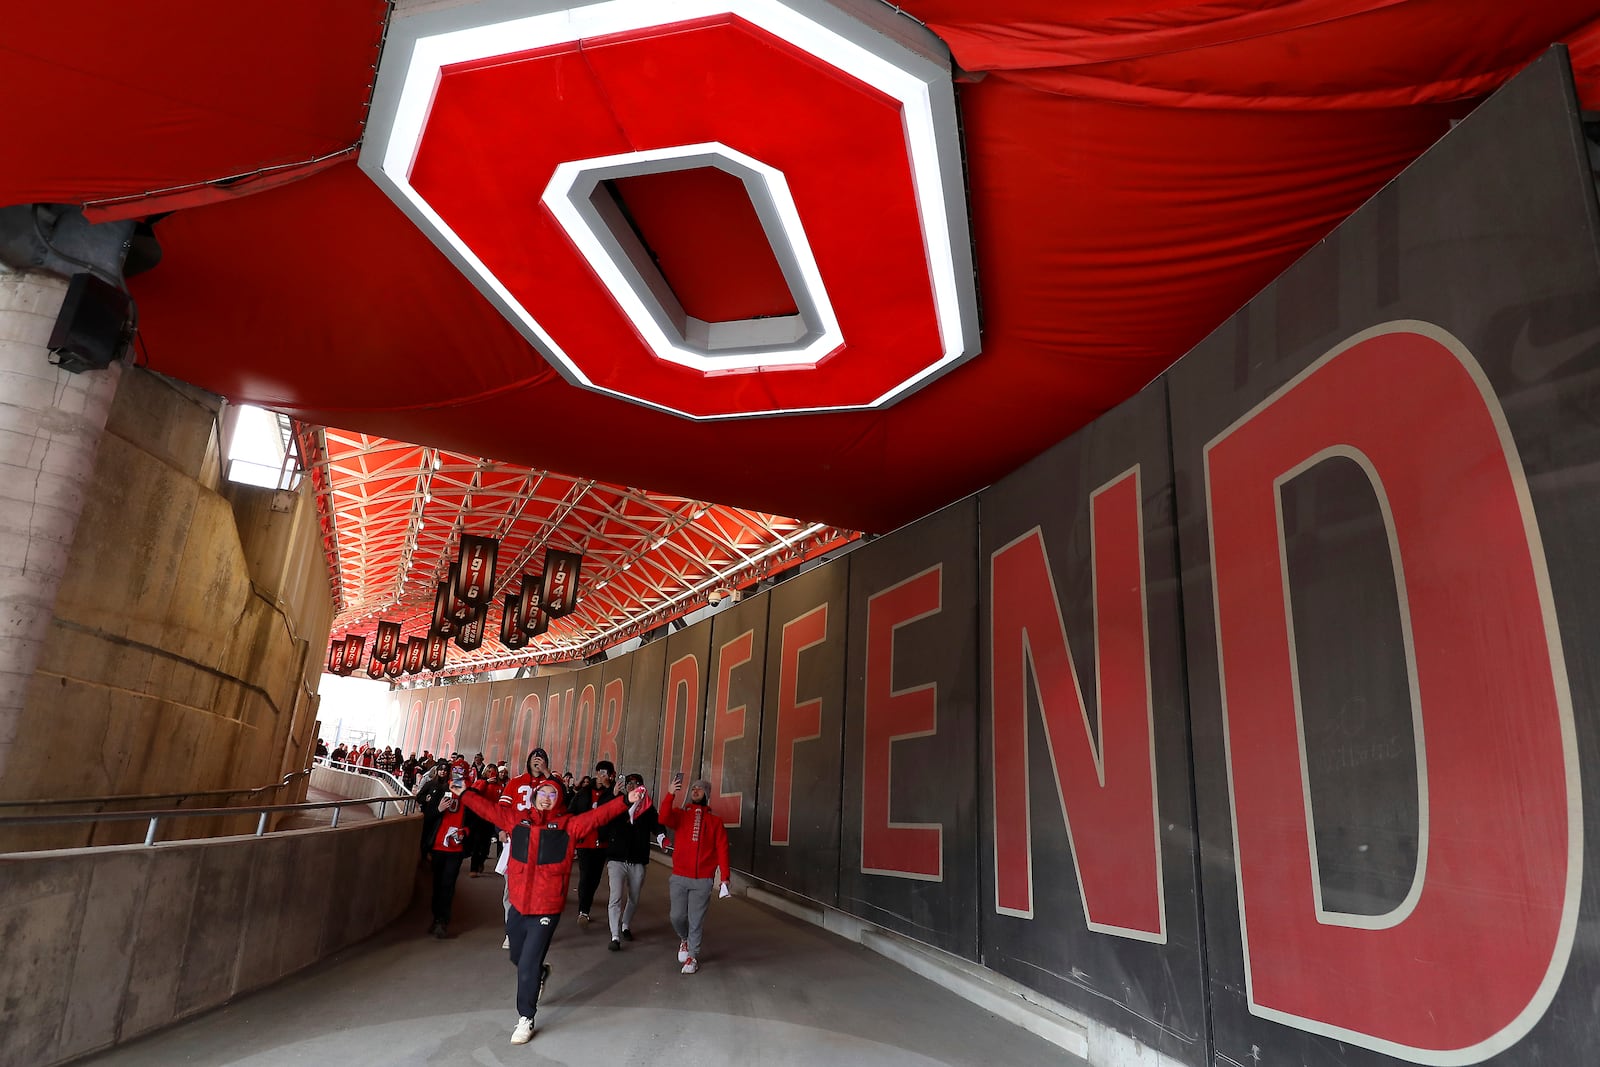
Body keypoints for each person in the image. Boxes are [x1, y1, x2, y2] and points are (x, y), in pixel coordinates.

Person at [460, 778, 644, 1045]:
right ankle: (540, 972)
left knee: (526, 964)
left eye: (553, 794)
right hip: (519, 905)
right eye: (543, 792)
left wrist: (626, 801)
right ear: (534, 796)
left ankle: (526, 1017)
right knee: (517, 957)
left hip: (547, 907)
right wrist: (463, 793)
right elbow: (487, 809)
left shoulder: (569, 826)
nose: (547, 797)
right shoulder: (517, 820)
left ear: (559, 799)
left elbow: (597, 816)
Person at [658, 776, 730, 975]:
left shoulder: (715, 822)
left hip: (703, 880)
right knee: (676, 916)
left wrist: (725, 878)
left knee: (696, 920)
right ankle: (684, 939)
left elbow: (723, 851)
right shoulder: (680, 815)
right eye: (694, 788)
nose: (696, 790)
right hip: (679, 876)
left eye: (700, 789)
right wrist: (670, 793)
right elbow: (663, 818)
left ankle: (692, 956)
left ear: (706, 794)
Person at [498, 748, 563, 947]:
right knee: (512, 889)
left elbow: (563, 799)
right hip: (517, 841)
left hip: (541, 844)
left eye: (541, 758)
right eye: (535, 758)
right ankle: (512, 931)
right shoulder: (516, 782)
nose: (538, 760)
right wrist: (500, 829)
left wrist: (546, 773)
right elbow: (502, 808)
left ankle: (534, 932)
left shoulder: (551, 782)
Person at [604, 772, 660, 951]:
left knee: (634, 897)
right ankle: (614, 936)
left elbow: (656, 824)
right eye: (628, 783)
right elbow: (603, 815)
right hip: (617, 858)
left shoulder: (648, 807)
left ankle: (625, 925)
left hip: (637, 859)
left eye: (635, 783)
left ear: (641, 786)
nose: (631, 786)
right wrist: (612, 796)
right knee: (615, 896)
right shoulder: (617, 802)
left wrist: (662, 836)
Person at [566, 760, 616, 927]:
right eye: (600, 772)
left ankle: (586, 905)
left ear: (611, 775)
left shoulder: (613, 792)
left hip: (602, 844)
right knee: (585, 876)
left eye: (606, 773)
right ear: (595, 773)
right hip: (584, 843)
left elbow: (618, 809)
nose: (602, 776)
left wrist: (611, 790)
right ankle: (583, 910)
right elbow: (571, 812)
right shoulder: (584, 792)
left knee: (594, 878)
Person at [426, 778, 470, 937]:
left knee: (447, 885)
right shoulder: (440, 792)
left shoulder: (469, 798)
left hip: (455, 850)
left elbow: (474, 823)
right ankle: (436, 918)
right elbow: (427, 816)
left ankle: (442, 921)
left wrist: (464, 832)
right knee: (437, 885)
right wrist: (438, 809)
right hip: (438, 847)